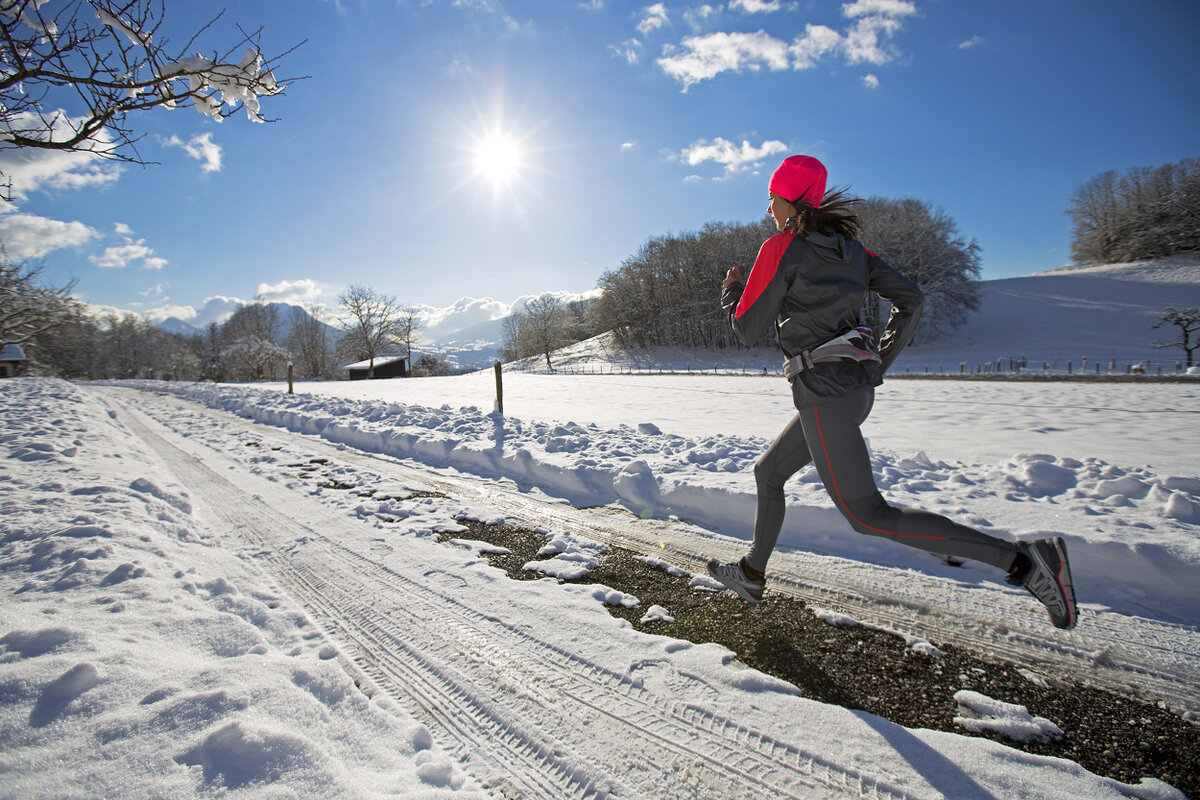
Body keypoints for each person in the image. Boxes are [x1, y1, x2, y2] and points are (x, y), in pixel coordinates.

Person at [706, 154, 1078, 630]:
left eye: (772, 199)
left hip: (823, 393)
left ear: (789, 200)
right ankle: (753, 573)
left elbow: (746, 328)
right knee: (768, 472)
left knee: (869, 515)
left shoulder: (780, 247)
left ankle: (1024, 562)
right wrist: (880, 359)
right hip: (853, 391)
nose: (769, 210)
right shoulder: (853, 252)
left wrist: (733, 293)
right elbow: (912, 299)